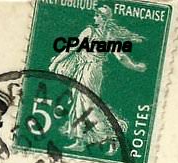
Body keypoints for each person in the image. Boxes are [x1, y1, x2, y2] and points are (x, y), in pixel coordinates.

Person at [46, 5, 147, 151]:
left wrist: (55, 62)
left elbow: (71, 48)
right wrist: (135, 66)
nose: (94, 17)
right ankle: (80, 140)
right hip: (90, 71)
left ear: (102, 18)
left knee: (88, 105)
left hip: (89, 71)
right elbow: (121, 57)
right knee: (79, 103)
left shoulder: (90, 31)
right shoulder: (109, 36)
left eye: (97, 15)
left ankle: (113, 135)